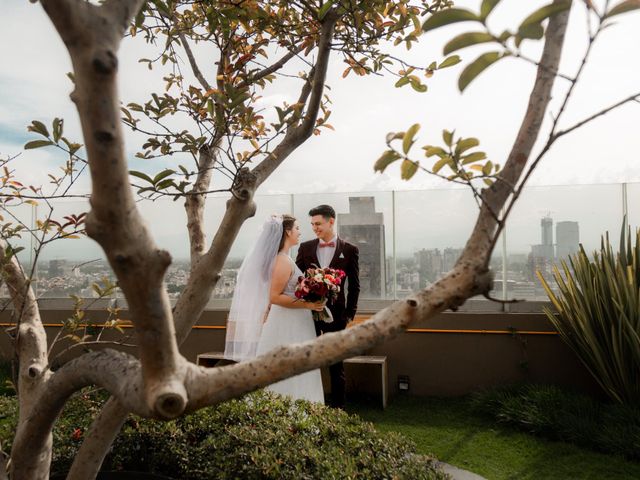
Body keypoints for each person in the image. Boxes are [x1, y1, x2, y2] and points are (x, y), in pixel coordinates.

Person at [224, 214, 325, 403]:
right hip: (287, 322)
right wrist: (308, 304)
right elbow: (275, 296)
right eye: (297, 228)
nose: (299, 232)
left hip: (293, 320)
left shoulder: (284, 258)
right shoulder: (282, 261)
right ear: (287, 232)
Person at [296, 204, 360, 408]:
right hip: (308, 314)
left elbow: (355, 285)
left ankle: (337, 410)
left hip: (337, 316)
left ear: (331, 221)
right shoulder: (305, 247)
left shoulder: (349, 250)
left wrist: (350, 314)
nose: (314, 228)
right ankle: (307, 404)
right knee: (307, 360)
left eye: (318, 224)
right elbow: (296, 280)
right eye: (312, 224)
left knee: (335, 364)